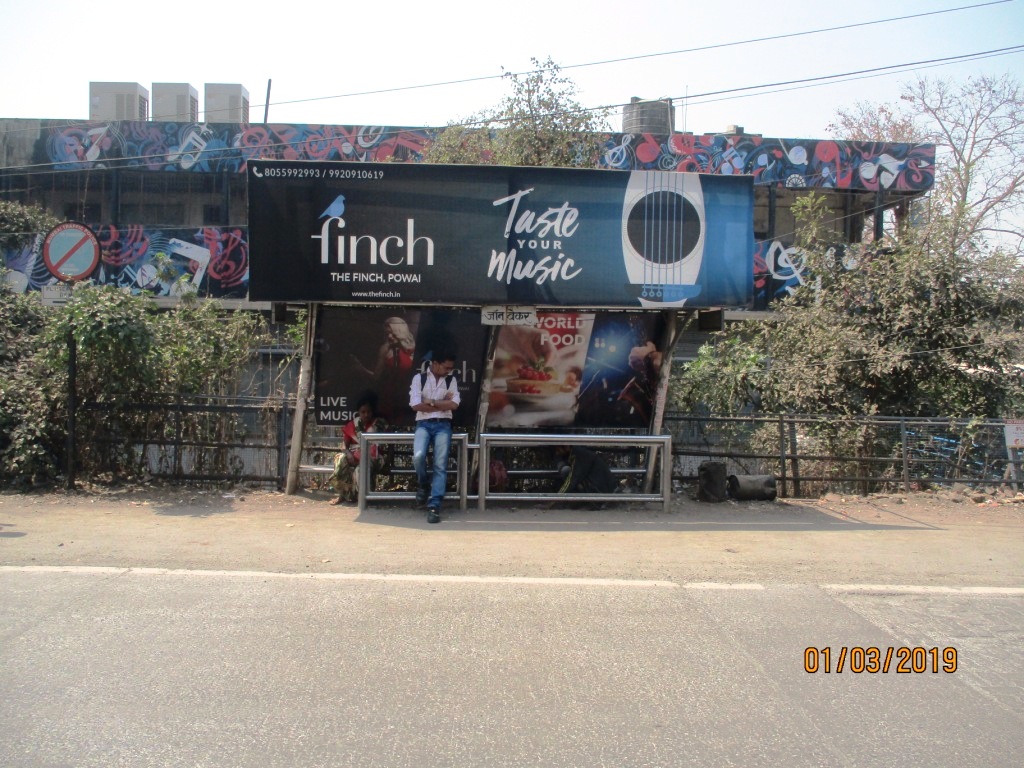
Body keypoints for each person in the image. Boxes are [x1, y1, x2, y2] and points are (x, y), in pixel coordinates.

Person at [409, 350, 460, 524]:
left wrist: (429, 402)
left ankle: (435, 504)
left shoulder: (451, 380)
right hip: (423, 424)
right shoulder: (419, 378)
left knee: (440, 464)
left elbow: (454, 404)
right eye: (446, 367)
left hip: (443, 425)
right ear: (435, 363)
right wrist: (442, 404)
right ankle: (423, 484)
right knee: (418, 457)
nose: (449, 371)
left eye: (450, 368)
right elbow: (415, 405)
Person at [351, 316, 416, 422]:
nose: (389, 336)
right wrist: (361, 369)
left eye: (392, 333)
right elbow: (376, 378)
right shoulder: (385, 349)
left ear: (400, 331)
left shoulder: (413, 348)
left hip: (408, 396)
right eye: (387, 334)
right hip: (389, 397)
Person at [329, 392, 388, 505]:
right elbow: (344, 445)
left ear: (372, 412)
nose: (366, 415)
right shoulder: (353, 425)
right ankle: (342, 495)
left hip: (374, 457)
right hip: (354, 456)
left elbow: (391, 443)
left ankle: (364, 498)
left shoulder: (379, 425)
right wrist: (348, 454)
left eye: (369, 412)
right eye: (363, 412)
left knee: (360, 469)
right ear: (358, 413)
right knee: (340, 459)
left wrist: (389, 459)